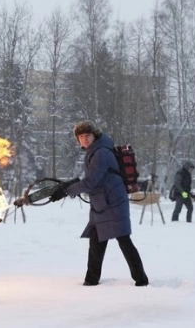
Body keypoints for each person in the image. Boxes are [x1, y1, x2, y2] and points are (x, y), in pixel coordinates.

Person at [56, 121, 149, 287]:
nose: (84, 139)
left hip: (112, 203)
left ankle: (141, 280)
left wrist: (68, 190)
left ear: (94, 135)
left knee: (123, 240)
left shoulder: (101, 153)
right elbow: (94, 180)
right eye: (81, 137)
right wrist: (70, 187)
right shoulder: (95, 152)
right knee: (96, 241)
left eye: (87, 136)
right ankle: (91, 280)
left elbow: (91, 182)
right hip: (102, 204)